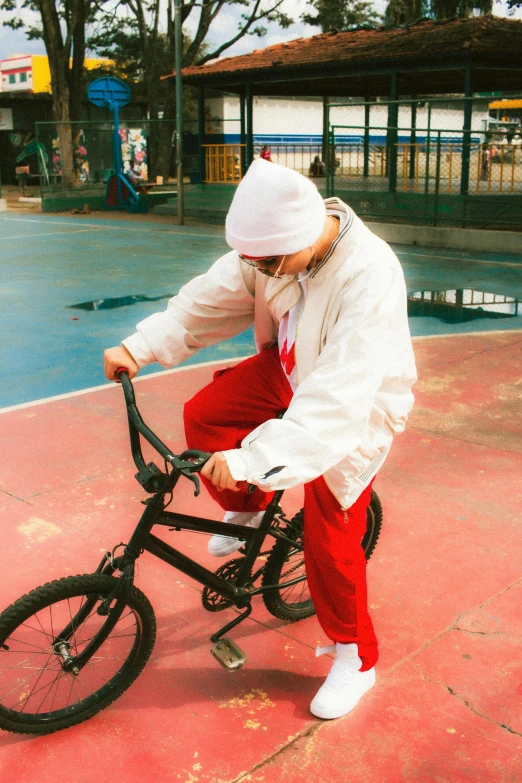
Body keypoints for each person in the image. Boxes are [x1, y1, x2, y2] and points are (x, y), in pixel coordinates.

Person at [104, 159, 417, 721]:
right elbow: (210, 297)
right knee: (207, 412)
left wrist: (254, 459)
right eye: (258, 262)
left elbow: (337, 400)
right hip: (291, 368)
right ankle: (246, 514)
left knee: (331, 535)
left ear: (304, 233)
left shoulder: (368, 275)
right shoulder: (274, 249)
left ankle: (355, 659)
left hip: (353, 403)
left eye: (272, 261)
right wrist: (140, 346)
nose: (265, 270)